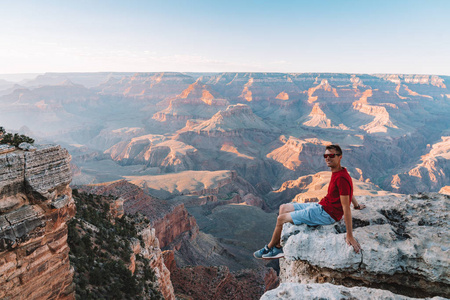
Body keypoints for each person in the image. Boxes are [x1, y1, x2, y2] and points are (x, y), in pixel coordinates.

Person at [254, 144, 365, 260]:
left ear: (340, 157)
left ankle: (271, 247)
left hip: (327, 214)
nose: (328, 158)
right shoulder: (339, 171)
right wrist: (356, 206)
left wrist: (350, 235)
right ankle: (276, 246)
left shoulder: (341, 177)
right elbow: (348, 192)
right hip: (321, 206)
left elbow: (345, 207)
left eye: (331, 155)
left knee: (280, 219)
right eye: (325, 155)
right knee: (283, 207)